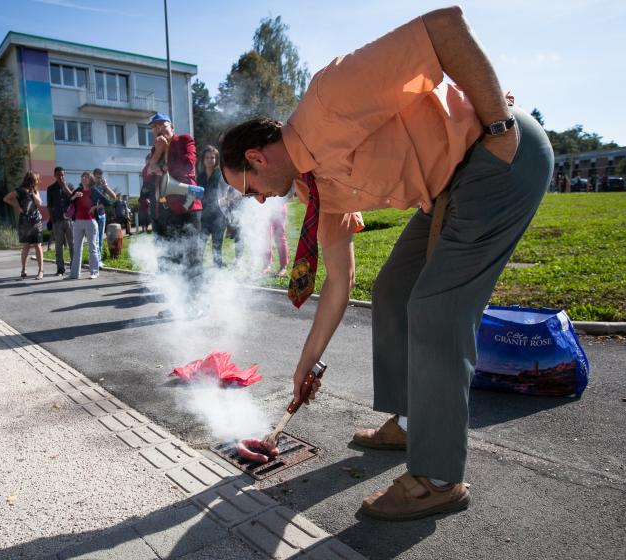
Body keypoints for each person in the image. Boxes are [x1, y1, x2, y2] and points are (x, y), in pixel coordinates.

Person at [219, 7, 553, 521]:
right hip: (446, 189)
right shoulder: (319, 189)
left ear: (257, 159)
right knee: (393, 290)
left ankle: (438, 478)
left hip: (495, 158)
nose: (259, 202)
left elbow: (444, 27)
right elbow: (340, 281)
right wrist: (305, 365)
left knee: (436, 310)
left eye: (249, 190)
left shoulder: (328, 100)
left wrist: (499, 123)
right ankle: (414, 422)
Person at [142, 112, 203, 308]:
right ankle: (178, 306)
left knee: (191, 259)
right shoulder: (155, 150)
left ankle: (196, 304)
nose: (158, 129)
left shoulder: (184, 140)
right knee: (169, 262)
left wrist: (159, 168)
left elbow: (186, 166)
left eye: (162, 125)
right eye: (154, 127)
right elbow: (145, 176)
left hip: (187, 209)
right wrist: (157, 154)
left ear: (172, 127)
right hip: (164, 214)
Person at [3, 171, 44, 280]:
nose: (37, 181)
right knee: (26, 246)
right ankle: (23, 269)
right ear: (31, 180)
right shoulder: (19, 191)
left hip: (36, 220)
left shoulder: (35, 191)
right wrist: (17, 206)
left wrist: (33, 193)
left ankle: (40, 271)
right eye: (36, 179)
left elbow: (39, 203)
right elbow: (6, 198)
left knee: (38, 246)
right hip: (25, 221)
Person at [197, 145, 229, 268]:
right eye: (207, 157)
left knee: (217, 248)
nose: (210, 160)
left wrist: (225, 199)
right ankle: (198, 272)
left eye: (212, 157)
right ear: (203, 160)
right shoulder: (200, 177)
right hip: (203, 217)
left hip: (219, 217)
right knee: (200, 247)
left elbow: (230, 191)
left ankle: (217, 275)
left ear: (216, 159)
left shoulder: (221, 175)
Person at [68, 171, 101, 280]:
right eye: (82, 176)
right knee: (76, 248)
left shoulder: (94, 191)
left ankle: (94, 272)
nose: (84, 178)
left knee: (92, 247)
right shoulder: (78, 191)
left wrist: (95, 207)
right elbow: (68, 202)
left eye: (86, 177)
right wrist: (74, 197)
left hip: (90, 222)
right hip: (77, 222)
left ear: (90, 179)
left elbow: (107, 202)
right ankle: (74, 274)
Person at [46, 166, 75, 276]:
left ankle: (74, 266)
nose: (61, 177)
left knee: (72, 244)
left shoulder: (70, 186)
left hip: (69, 220)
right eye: (58, 175)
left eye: (62, 175)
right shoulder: (51, 188)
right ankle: (60, 268)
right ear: (54, 176)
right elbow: (49, 206)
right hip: (57, 220)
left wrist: (64, 186)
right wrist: (53, 220)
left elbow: (73, 198)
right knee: (58, 246)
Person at [92, 168, 118, 257]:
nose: (99, 179)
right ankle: (94, 258)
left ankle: (98, 258)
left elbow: (114, 197)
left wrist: (106, 186)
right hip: (92, 215)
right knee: (93, 238)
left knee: (99, 237)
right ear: (93, 176)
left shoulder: (103, 186)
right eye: (97, 177)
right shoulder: (90, 186)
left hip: (102, 215)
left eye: (100, 177)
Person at [262, 195, 289, 276]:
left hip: (279, 205)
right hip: (265, 206)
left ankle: (283, 267)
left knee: (280, 236)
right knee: (266, 237)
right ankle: (267, 265)